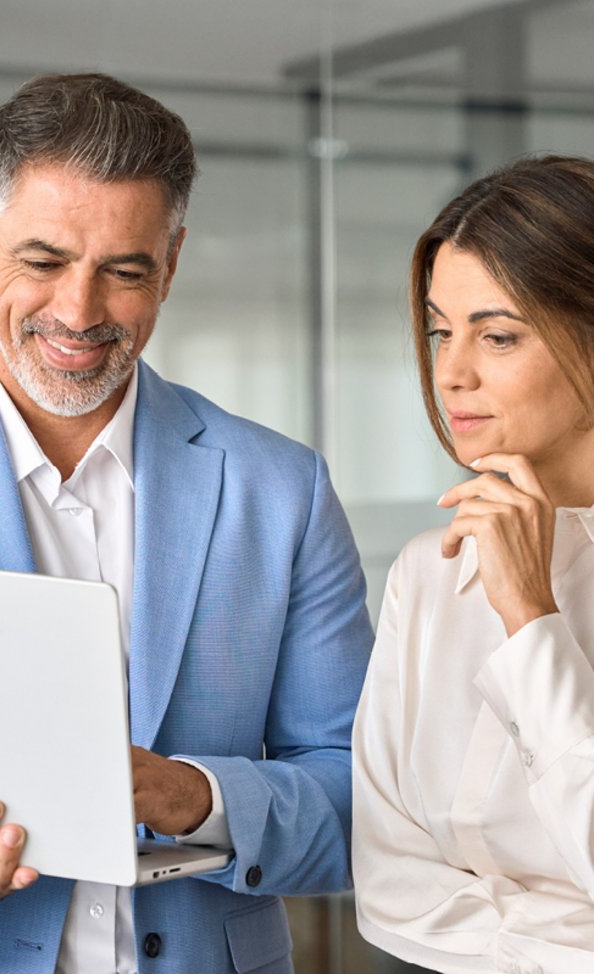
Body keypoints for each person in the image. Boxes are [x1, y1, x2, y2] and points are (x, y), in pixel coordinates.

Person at [0, 73, 374, 974]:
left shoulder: (281, 490)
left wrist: (200, 796)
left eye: (124, 271)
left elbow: (362, 805)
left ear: (171, 264)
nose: (78, 312)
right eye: (45, 260)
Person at [353, 155, 594, 974]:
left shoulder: (503, 588)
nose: (450, 372)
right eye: (438, 329)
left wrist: (532, 616)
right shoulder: (428, 572)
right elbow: (387, 886)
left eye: (497, 335)